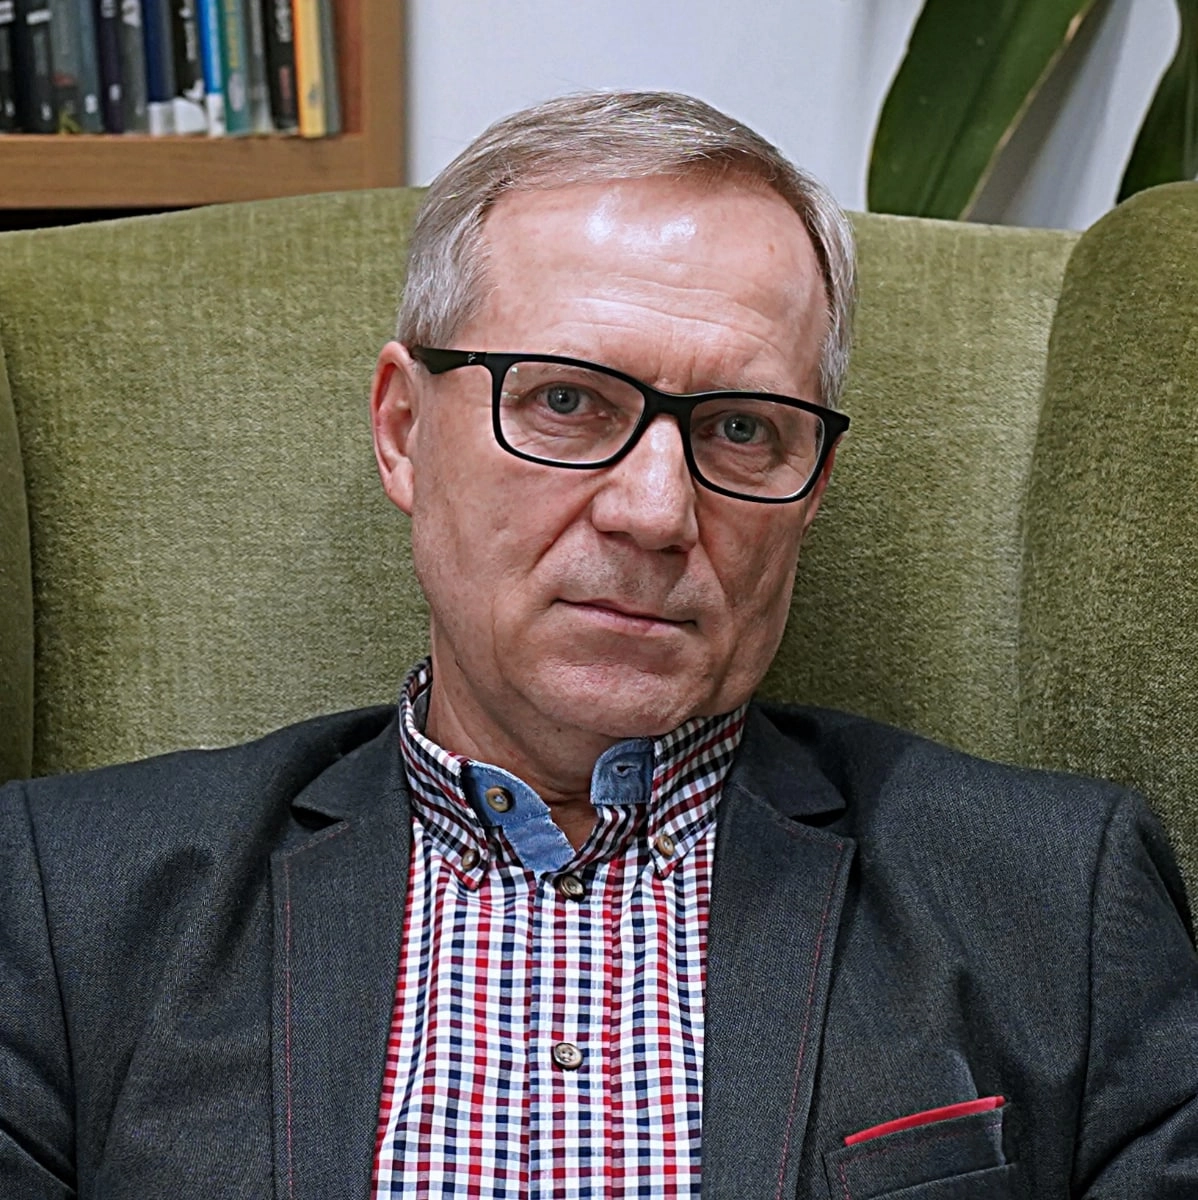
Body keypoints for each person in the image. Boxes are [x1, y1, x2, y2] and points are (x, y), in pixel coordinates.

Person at [1, 91, 1196, 1200]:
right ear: (404, 431)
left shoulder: (1055, 898)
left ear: (813, 485)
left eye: (742, 429)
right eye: (566, 401)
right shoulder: (71, 904)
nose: (656, 511)